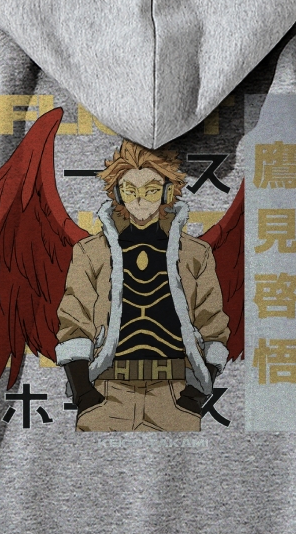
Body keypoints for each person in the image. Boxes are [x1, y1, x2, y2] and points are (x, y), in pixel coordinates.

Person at [55, 140, 230, 432]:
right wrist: (84, 394)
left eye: (150, 190)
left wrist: (196, 395)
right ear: (117, 194)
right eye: (130, 190)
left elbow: (213, 325)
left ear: (167, 191)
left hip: (176, 394)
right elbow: (74, 321)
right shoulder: (90, 252)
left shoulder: (196, 254)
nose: (139, 200)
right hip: (106, 391)